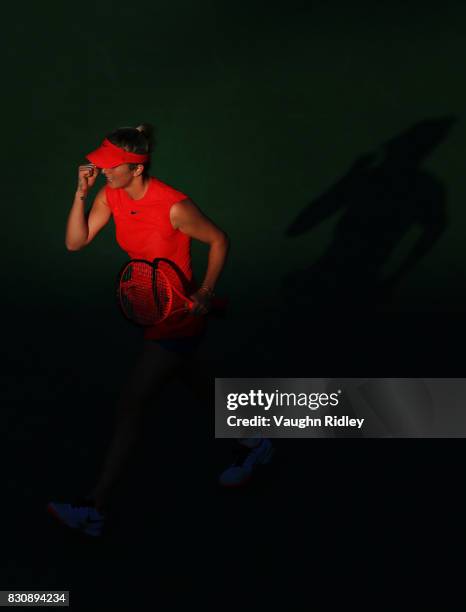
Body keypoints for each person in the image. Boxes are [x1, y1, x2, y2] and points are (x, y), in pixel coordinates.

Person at [46, 124, 271, 537]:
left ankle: (94, 508)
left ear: (136, 167)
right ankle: (254, 440)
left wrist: (205, 290)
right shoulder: (109, 194)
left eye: (110, 166)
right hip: (156, 304)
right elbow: (75, 242)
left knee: (132, 404)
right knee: (195, 380)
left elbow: (219, 240)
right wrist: (80, 194)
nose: (101, 170)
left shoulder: (174, 205)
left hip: (179, 317)